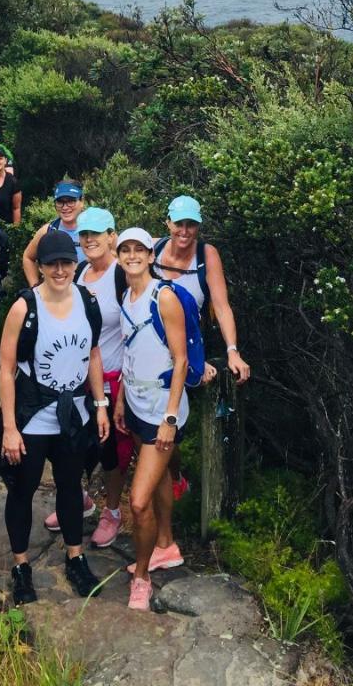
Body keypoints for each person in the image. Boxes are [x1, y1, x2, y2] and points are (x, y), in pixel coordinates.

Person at [0, 230, 108, 605]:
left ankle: (75, 556)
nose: (59, 270)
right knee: (23, 488)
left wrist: (101, 404)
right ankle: (20, 565)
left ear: (74, 263)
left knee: (70, 486)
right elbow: (6, 367)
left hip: (73, 414)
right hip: (33, 415)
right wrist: (10, 428)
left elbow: (93, 354)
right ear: (40, 266)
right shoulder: (24, 307)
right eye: (51, 263)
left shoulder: (86, 300)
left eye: (66, 262)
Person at [152, 195, 250, 499]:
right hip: (149, 348)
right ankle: (157, 476)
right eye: (179, 223)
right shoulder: (150, 247)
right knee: (148, 417)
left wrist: (232, 349)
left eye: (191, 224)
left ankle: (172, 476)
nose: (184, 230)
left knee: (172, 423)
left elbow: (221, 306)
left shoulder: (207, 255)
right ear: (167, 222)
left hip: (185, 351)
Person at [42, 207, 131, 545]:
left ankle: (112, 511)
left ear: (112, 236)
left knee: (110, 450)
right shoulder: (78, 272)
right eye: (84, 234)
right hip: (77, 376)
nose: (90, 239)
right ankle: (80, 499)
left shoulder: (123, 274)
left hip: (113, 378)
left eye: (97, 232)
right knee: (73, 441)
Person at [113, 228, 190, 611]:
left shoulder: (165, 297)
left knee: (138, 501)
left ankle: (141, 578)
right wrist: (122, 402)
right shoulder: (127, 295)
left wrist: (170, 418)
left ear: (149, 254)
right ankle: (166, 545)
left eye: (138, 249)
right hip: (138, 405)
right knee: (159, 478)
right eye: (125, 250)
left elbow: (181, 360)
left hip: (163, 410)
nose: (131, 255)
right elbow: (131, 353)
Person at [21, 181, 85, 285]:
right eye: (60, 202)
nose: (65, 207)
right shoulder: (48, 230)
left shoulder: (95, 229)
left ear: (82, 201)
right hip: (57, 296)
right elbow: (28, 257)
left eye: (71, 201)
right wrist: (35, 290)